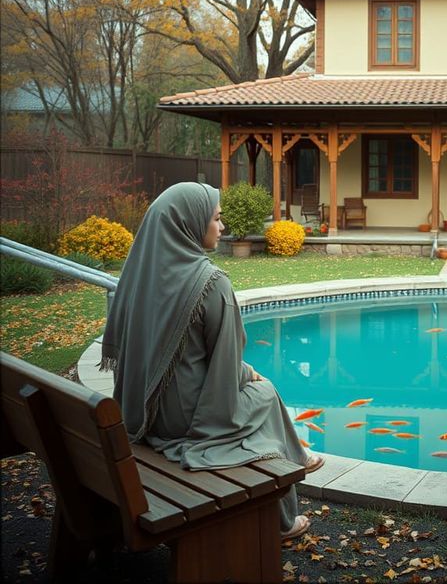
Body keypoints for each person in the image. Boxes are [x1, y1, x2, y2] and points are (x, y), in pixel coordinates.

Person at [100, 182, 318, 544]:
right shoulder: (211, 282)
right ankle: (283, 513)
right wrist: (249, 375)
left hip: (143, 408)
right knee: (264, 394)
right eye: (216, 219)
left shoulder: (137, 277)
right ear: (189, 223)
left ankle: (299, 462)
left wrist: (243, 373)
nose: (222, 228)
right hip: (186, 418)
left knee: (258, 394)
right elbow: (226, 370)